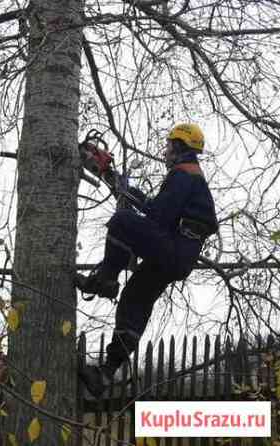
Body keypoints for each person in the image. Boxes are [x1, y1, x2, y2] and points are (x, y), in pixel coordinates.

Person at [75, 123, 218, 398]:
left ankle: (105, 280)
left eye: (168, 146)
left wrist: (117, 181)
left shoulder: (184, 175)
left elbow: (156, 215)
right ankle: (104, 374)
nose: (165, 151)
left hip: (174, 250)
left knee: (122, 222)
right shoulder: (190, 177)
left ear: (178, 146)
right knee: (134, 302)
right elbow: (158, 217)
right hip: (176, 258)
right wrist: (114, 180)